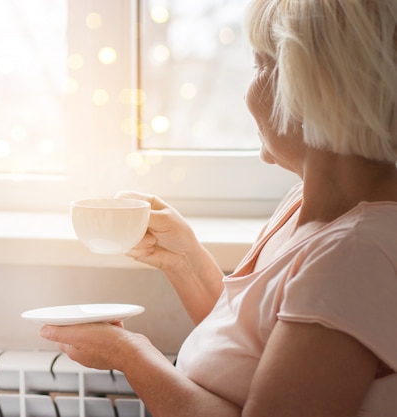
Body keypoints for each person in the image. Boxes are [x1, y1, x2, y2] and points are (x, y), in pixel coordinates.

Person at [40, 0, 397, 416]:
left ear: (315, 88)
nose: (248, 94)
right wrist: (183, 260)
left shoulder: (354, 254)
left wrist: (130, 356)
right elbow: (247, 346)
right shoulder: (307, 202)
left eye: (261, 66)